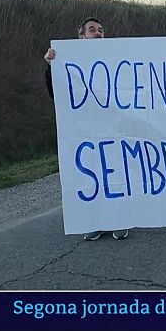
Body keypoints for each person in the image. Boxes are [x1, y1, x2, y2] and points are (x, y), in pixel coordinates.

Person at [44, 17, 130, 242]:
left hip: (112, 129)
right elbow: (57, 93)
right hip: (83, 131)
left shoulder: (114, 60)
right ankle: (93, 221)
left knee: (114, 174)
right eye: (92, 30)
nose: (98, 33)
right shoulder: (67, 62)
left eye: (101, 30)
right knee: (89, 174)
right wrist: (51, 65)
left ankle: (119, 220)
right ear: (81, 36)